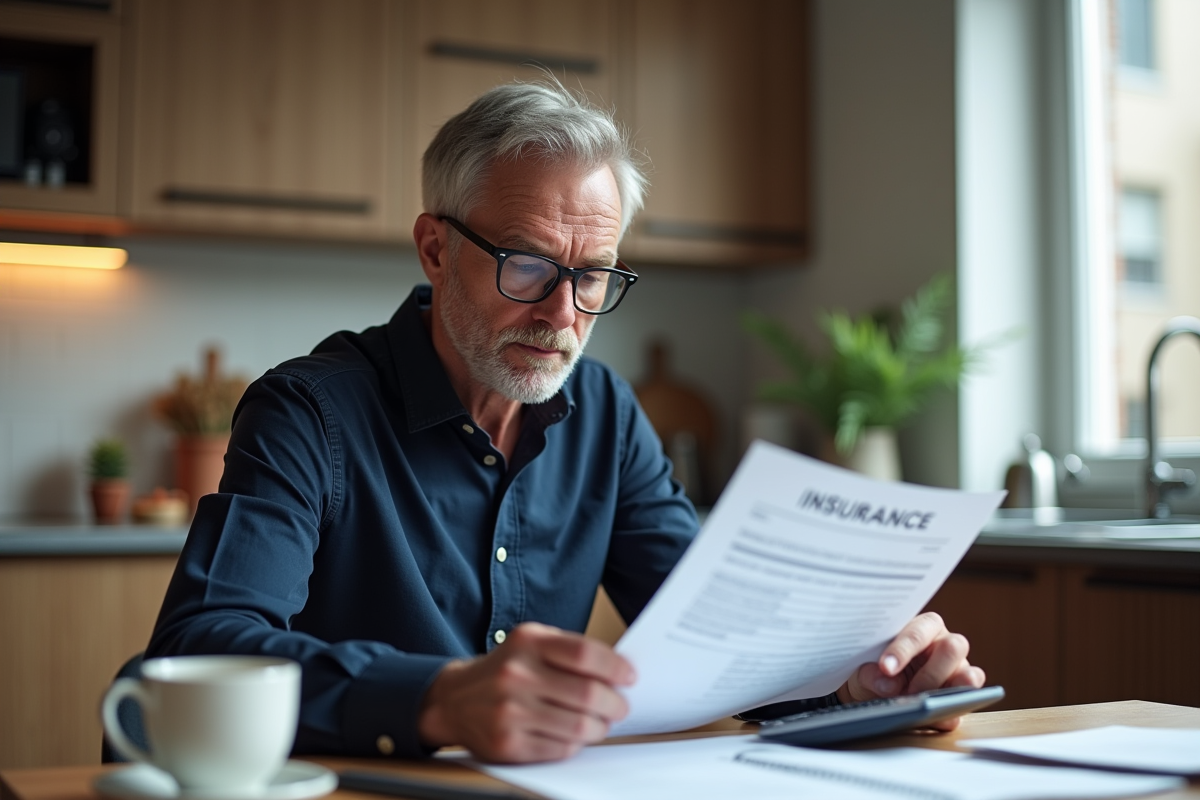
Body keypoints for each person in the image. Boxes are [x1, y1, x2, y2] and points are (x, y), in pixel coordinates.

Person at [146, 80, 984, 764]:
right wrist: (436, 699)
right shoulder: (311, 412)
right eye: (528, 265)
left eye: (594, 276)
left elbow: (718, 641)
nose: (563, 313)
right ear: (435, 250)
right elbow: (196, 652)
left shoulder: (609, 415)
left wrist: (854, 687)